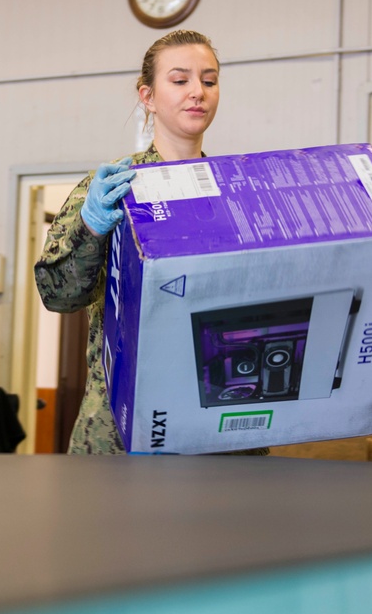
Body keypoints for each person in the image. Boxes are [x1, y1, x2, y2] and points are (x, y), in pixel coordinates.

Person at [35, 29, 268, 456]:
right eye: (180, 81)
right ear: (148, 95)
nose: (197, 92)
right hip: (121, 427)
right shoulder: (113, 187)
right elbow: (59, 296)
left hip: (220, 419)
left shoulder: (235, 190)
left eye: (209, 80)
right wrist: (91, 229)